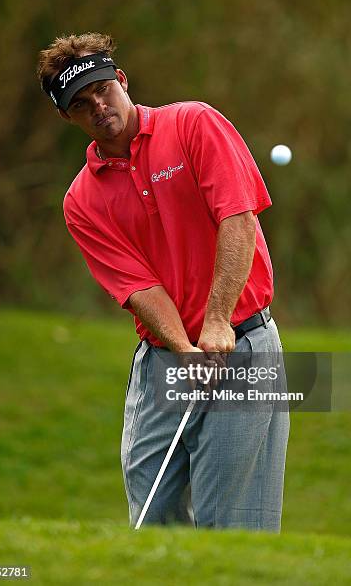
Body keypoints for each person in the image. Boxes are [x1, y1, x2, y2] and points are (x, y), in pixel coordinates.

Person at [37, 32, 290, 531]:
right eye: (82, 104)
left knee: (233, 525)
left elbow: (237, 219)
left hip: (242, 343)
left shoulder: (194, 123)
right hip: (164, 360)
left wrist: (217, 324)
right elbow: (138, 288)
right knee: (151, 518)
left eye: (103, 90)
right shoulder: (82, 201)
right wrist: (183, 347)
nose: (99, 107)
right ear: (68, 117)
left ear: (122, 81)